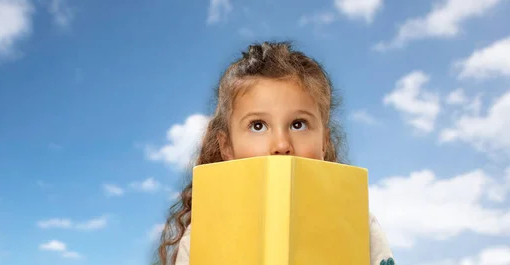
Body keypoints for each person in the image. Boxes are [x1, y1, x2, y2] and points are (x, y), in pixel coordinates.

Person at [154, 41, 395, 265]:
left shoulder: (359, 224)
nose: (281, 144)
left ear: (324, 142)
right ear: (227, 147)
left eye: (298, 124)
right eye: (258, 125)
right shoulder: (203, 233)